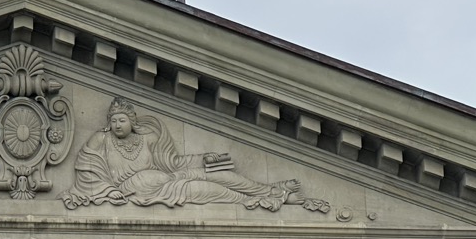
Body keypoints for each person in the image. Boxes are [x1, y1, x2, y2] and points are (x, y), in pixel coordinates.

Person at [62, 97, 328, 212]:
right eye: (114, 120)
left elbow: (173, 163)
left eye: (122, 119)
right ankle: (268, 201)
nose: (118, 124)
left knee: (219, 173)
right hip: (148, 191)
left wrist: (203, 159)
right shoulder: (101, 139)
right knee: (212, 191)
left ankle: (270, 189)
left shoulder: (149, 138)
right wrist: (110, 191)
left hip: (170, 178)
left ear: (132, 120)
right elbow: (87, 171)